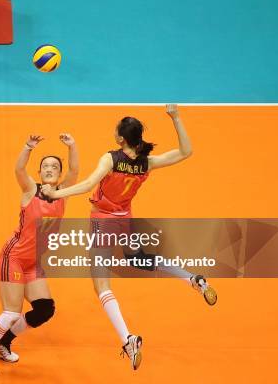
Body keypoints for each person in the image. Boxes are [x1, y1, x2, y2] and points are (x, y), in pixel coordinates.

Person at [41, 104, 217, 371]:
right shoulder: (147, 162)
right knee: (137, 258)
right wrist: (176, 117)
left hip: (102, 221)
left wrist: (55, 194)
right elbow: (186, 151)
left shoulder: (111, 159)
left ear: (121, 138)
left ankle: (128, 339)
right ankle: (192, 278)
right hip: (125, 218)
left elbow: (88, 185)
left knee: (101, 286)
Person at [0, 134, 79, 376]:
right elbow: (19, 169)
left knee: (44, 310)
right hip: (14, 257)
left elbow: (75, 170)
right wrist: (28, 147)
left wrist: (72, 146)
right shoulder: (31, 190)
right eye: (46, 167)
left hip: (33, 262)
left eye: (55, 166)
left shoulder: (63, 193)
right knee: (11, 311)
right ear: (40, 173)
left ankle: (4, 341)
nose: (50, 169)